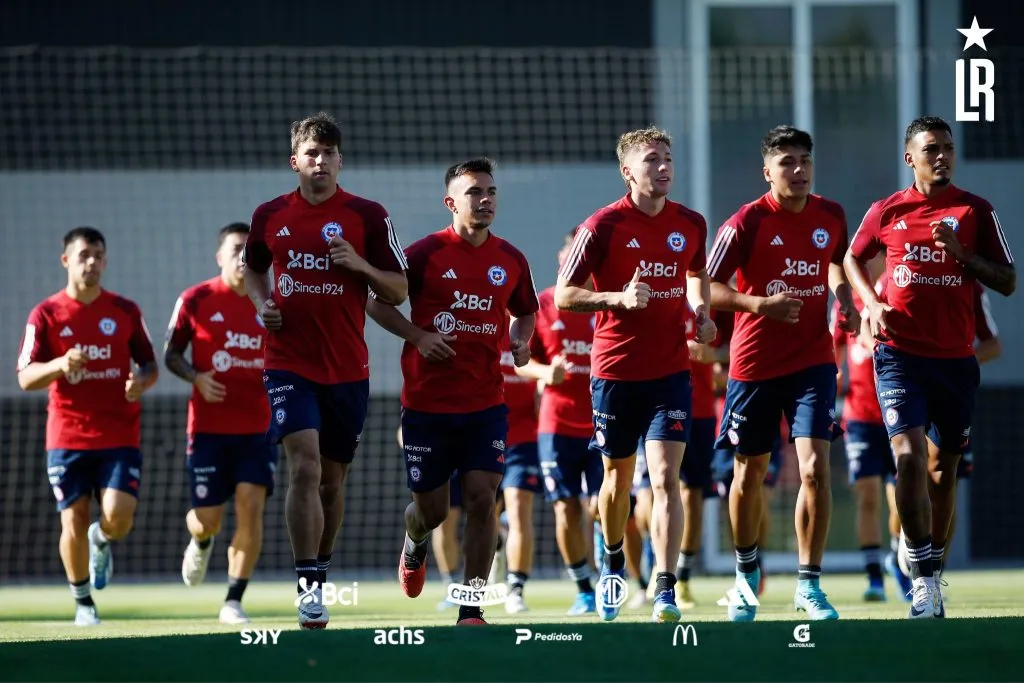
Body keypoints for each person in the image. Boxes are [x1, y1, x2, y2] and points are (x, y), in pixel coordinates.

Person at [243, 112, 409, 629]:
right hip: (289, 362)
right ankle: (308, 587)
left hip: (348, 370)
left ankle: (321, 565)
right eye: (312, 153)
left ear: (341, 160)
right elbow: (252, 267)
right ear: (295, 161)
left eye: (330, 153)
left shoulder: (368, 215)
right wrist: (262, 303)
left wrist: (359, 265)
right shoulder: (269, 214)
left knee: (333, 483)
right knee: (305, 467)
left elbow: (399, 289)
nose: (321, 161)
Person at [844, 115, 1015, 619]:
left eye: (947, 147)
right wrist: (869, 304)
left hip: (955, 362)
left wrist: (962, 255)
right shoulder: (887, 210)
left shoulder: (976, 210)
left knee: (944, 473)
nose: (941, 156)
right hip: (899, 356)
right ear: (910, 158)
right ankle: (921, 579)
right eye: (930, 149)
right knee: (909, 458)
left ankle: (930, 564)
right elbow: (853, 258)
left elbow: (1007, 279)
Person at [366, 157, 539, 626]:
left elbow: (526, 311)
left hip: (486, 404)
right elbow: (377, 304)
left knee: (484, 498)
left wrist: (521, 341)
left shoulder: (510, 259)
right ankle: (415, 539)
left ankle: (471, 607)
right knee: (433, 510)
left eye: (490, 191)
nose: (485, 200)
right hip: (426, 405)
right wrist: (419, 336)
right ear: (450, 202)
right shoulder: (423, 254)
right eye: (473, 193)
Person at [556, 126, 715, 623]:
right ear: (628, 171)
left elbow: (695, 273)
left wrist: (703, 312)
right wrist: (616, 298)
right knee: (616, 481)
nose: (664, 166)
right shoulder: (601, 226)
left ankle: (665, 588)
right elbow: (564, 295)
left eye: (668, 158)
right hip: (615, 373)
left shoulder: (690, 222)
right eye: (652, 159)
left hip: (670, 372)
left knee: (666, 479)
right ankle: (613, 561)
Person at [707, 125, 857, 622]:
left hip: (813, 361)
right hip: (753, 367)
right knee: (748, 475)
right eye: (787, 162)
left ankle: (809, 586)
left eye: (805, 161)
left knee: (815, 470)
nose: (798, 170)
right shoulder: (745, 222)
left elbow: (836, 263)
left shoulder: (831, 215)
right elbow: (705, 286)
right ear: (767, 171)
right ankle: (746, 574)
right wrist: (757, 304)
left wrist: (843, 299)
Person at [17, 227, 158, 626]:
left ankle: (103, 539)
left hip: (119, 434)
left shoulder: (125, 311)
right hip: (67, 436)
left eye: (98, 255)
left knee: (119, 517)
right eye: (83, 255)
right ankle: (83, 603)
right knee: (73, 517)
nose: (91, 262)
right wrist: (60, 364)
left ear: (106, 261)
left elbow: (149, 365)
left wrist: (140, 383)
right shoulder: (45, 314)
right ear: (66, 261)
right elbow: (25, 378)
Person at [164, 222, 276, 624]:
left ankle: (233, 599)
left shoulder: (272, 303)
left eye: (249, 250)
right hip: (208, 431)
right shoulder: (195, 299)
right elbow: (171, 354)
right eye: (235, 249)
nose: (242, 257)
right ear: (220, 256)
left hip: (258, 430)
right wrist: (196, 377)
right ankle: (201, 538)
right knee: (208, 518)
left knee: (251, 507)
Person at [515, 230, 602, 615]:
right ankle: (584, 587)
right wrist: (545, 373)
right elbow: (522, 360)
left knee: (603, 506)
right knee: (565, 509)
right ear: (561, 257)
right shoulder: (543, 305)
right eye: (572, 254)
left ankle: (610, 563)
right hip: (557, 424)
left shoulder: (605, 304)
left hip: (604, 421)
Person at [831, 254, 898, 602]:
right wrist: (835, 377)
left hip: (899, 411)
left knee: (901, 498)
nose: (869, 262)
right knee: (868, 496)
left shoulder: (896, 292)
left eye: (875, 256)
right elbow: (833, 351)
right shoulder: (847, 303)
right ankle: (874, 578)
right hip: (859, 415)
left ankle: (900, 558)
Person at [497, 326, 542, 613]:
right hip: (483, 431)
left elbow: (547, 373)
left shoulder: (536, 328)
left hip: (524, 438)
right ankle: (483, 573)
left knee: (518, 509)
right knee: (482, 512)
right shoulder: (478, 318)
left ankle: (516, 588)